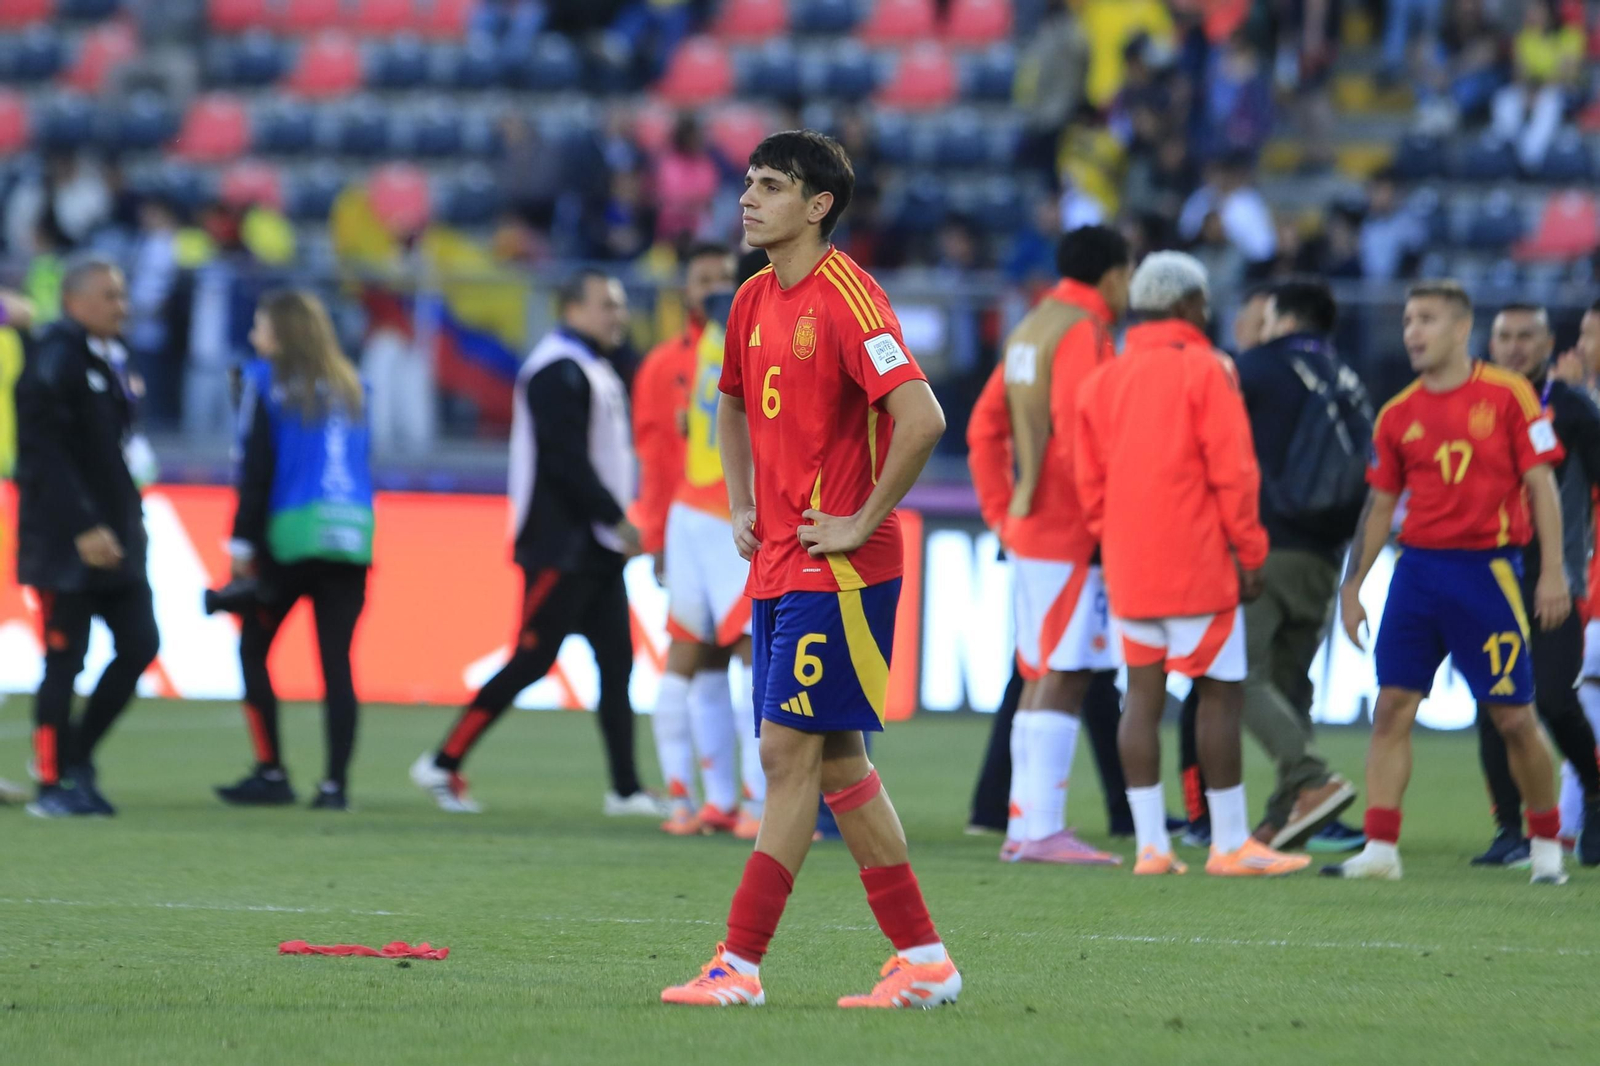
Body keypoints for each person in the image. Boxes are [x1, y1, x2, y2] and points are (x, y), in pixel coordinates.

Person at [661, 130, 959, 1009]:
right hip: (783, 562)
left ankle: (740, 967)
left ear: (818, 204)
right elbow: (728, 405)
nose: (747, 199)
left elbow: (924, 417)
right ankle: (926, 960)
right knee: (834, 767)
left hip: (844, 569)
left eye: (770, 186)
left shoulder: (851, 300)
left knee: (786, 755)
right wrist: (742, 502)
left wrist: (865, 518)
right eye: (748, 184)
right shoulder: (751, 297)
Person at [1074, 250, 1309, 878]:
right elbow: (1233, 471)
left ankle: (1152, 847)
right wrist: (1251, 552)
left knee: (1141, 700)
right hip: (1199, 563)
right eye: (1202, 304)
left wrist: (1112, 535)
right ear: (1186, 305)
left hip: (1130, 565)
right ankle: (1229, 844)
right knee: (1220, 698)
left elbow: (1088, 482)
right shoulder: (1208, 369)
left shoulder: (1103, 380)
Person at [1330, 281, 1569, 885]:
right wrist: (1354, 584)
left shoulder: (1511, 395)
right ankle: (1381, 848)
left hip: (1486, 573)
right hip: (1416, 574)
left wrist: (1552, 572)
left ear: (1461, 329)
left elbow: (1542, 485)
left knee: (1513, 717)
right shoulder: (1397, 413)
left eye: (1427, 319)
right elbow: (1381, 506)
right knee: (1390, 708)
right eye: (1409, 319)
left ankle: (1545, 840)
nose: (1413, 331)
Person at [411, 271, 656, 817]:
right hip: (561, 545)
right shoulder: (556, 370)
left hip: (591, 546)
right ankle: (442, 762)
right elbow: (566, 462)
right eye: (607, 304)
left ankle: (626, 790)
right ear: (572, 309)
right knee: (532, 659)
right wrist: (618, 521)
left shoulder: (587, 367)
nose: (618, 314)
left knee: (617, 665)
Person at [964, 224, 1133, 865]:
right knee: (1065, 673)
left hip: (1032, 529)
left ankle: (1028, 825)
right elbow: (1083, 435)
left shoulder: (1032, 326)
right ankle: (1039, 830)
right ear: (1112, 274)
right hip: (1072, 531)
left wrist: (1002, 512)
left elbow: (984, 429)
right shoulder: (1083, 333)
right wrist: (1103, 524)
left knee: (1043, 671)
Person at [212, 291, 375, 811]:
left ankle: (272, 771)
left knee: (253, 648)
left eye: (260, 325)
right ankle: (335, 786)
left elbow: (255, 468)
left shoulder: (265, 381)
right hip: (351, 534)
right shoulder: (354, 385)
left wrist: (242, 544)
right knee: (336, 664)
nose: (255, 335)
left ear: (280, 333)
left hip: (290, 536)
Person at [13, 257, 160, 818]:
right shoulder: (54, 359)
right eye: (108, 296)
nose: (121, 306)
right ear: (74, 302)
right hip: (64, 544)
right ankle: (51, 785)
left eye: (122, 295)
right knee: (64, 661)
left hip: (119, 534)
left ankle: (74, 759)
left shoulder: (113, 357)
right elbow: (42, 455)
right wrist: (83, 527)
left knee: (141, 644)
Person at [632, 243, 766, 838]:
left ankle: (707, 801)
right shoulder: (755, 327)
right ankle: (759, 804)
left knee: (699, 660)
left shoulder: (708, 339)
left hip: (692, 508)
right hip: (725, 514)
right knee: (750, 658)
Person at [1229, 279, 1365, 848]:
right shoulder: (1349, 378)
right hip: (1325, 554)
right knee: (1290, 683)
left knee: (1232, 676)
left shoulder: (1255, 368)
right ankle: (1287, 814)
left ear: (1281, 317)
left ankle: (1312, 781)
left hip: (1268, 545)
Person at [1471, 303, 1600, 868]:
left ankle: (1595, 794)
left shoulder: (1571, 410)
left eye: (1527, 336)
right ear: (1490, 343)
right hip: (1484, 577)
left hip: (1553, 578)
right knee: (1491, 702)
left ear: (1549, 343)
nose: (1516, 346)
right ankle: (1509, 830)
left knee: (1550, 696)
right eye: (1506, 336)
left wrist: (1570, 561)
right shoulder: (1472, 404)